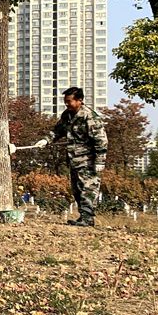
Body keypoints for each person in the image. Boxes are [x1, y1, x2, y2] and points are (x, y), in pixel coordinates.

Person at [33, 86, 108, 227]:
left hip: (88, 161)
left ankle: (87, 218)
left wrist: (100, 161)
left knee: (88, 190)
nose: (66, 104)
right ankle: (83, 217)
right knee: (77, 190)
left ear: (80, 100)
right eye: (65, 101)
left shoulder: (89, 117)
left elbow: (101, 141)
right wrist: (46, 140)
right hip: (74, 160)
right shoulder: (67, 115)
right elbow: (57, 131)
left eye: (69, 101)